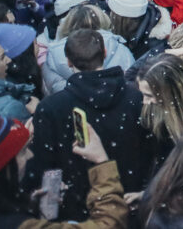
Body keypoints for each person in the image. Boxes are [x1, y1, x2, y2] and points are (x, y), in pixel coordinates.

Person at [25, 28, 153, 221]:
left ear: (68, 62)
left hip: (80, 211)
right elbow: (149, 153)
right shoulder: (135, 98)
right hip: (128, 203)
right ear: (105, 54)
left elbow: (44, 168)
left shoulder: (51, 108)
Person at [0, 101, 128, 229]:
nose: (30, 155)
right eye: (21, 153)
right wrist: (101, 163)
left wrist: (26, 206)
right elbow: (109, 225)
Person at [42, 5, 135, 96]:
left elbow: (53, 90)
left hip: (73, 109)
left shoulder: (53, 55)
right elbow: (131, 82)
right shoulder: (119, 48)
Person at [107, 0, 172, 57]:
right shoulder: (143, 28)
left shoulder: (152, 45)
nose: (110, 15)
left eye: (112, 12)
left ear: (120, 18)